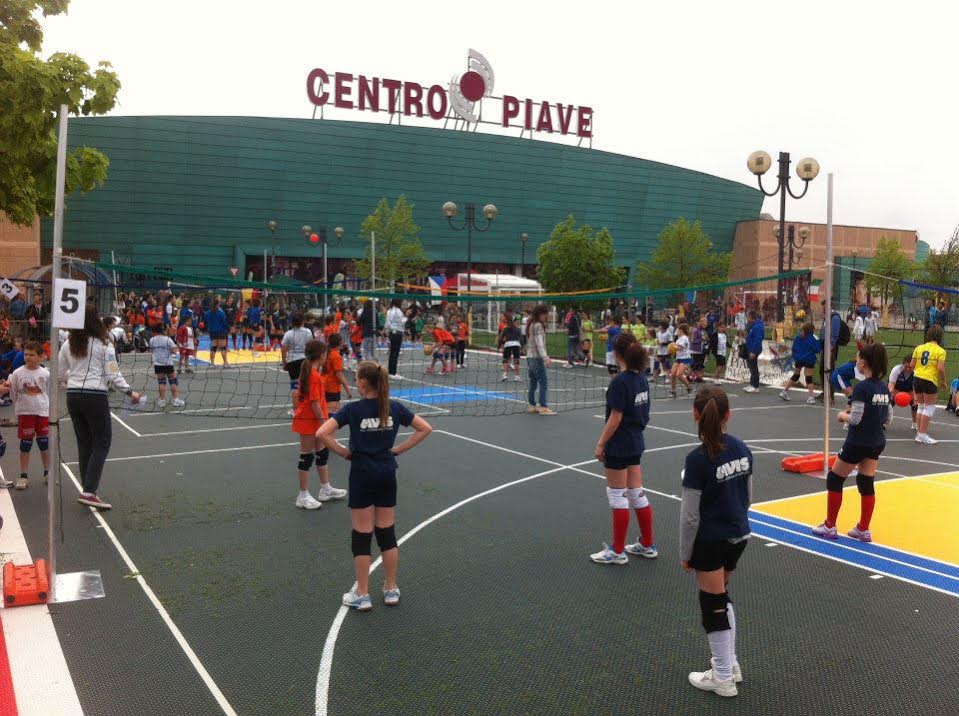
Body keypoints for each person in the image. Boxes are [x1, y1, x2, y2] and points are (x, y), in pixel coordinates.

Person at [318, 362, 433, 610]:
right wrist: (397, 451)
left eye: (357, 378)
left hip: (361, 474)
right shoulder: (393, 407)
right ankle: (391, 589)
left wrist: (345, 453)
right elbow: (425, 428)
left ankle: (362, 593)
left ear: (362, 382)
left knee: (361, 535)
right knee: (386, 533)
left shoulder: (353, 410)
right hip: (386, 474)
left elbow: (322, 434)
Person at [681, 386, 751, 698]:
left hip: (710, 540)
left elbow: (689, 516)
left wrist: (686, 553)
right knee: (721, 597)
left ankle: (722, 676)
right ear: (728, 416)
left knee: (712, 603)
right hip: (739, 534)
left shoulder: (697, 461)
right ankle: (730, 665)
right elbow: (748, 495)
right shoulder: (742, 448)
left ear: (695, 415)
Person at [59, 307, 141, 509]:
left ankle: (88, 489)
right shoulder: (104, 345)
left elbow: (60, 374)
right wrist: (131, 392)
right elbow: (113, 375)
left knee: (84, 443)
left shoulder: (68, 344)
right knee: (102, 442)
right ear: (97, 322)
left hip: (73, 396)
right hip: (95, 396)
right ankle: (89, 491)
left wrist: (76, 380)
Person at [590, 333, 656, 565]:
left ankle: (617, 551)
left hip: (620, 444)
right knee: (636, 493)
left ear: (617, 354)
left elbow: (615, 417)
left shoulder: (620, 382)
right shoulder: (642, 379)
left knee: (617, 495)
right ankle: (647, 543)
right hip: (636, 442)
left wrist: (601, 443)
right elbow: (645, 414)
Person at [813, 343, 890, 542]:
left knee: (835, 479)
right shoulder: (884, 388)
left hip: (858, 441)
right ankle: (863, 528)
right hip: (876, 441)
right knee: (866, 482)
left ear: (863, 363)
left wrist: (842, 416)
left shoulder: (861, 388)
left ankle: (830, 526)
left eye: (857, 358)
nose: (856, 361)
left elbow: (855, 419)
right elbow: (888, 418)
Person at [292, 340, 347, 510]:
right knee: (306, 456)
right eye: (325, 354)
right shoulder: (313, 375)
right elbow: (315, 403)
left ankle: (326, 489)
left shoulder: (312, 371)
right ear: (321, 355)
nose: (326, 357)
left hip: (315, 419)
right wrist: (325, 425)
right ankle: (303, 495)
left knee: (322, 454)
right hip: (309, 420)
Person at [7, 342, 51, 490]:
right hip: (25, 413)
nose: (28, 357)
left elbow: (48, 391)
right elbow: (13, 393)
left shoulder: (45, 374)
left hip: (42, 411)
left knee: (43, 443)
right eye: (26, 354)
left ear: (41, 357)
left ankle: (47, 472)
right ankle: (23, 475)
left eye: (32, 355)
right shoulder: (17, 373)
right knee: (25, 444)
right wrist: (19, 405)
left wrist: (46, 407)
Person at [912, 324, 947, 445]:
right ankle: (922, 434)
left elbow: (912, 365)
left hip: (917, 377)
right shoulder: (940, 351)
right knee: (929, 407)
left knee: (921, 405)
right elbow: (941, 368)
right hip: (929, 379)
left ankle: (919, 431)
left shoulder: (919, 348)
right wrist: (943, 381)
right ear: (940, 337)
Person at [282, 311, 314, 416]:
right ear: (303, 321)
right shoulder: (308, 332)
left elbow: (284, 349)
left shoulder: (288, 334)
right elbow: (310, 347)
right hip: (304, 360)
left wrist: (284, 362)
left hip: (292, 361)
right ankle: (309, 408)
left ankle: (296, 410)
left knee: (294, 386)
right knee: (307, 384)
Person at [780, 322, 820, 403]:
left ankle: (785, 391)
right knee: (809, 378)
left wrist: (796, 356)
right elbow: (817, 349)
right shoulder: (813, 338)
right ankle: (811, 397)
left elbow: (794, 348)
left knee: (796, 375)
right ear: (812, 330)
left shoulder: (798, 337)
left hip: (799, 359)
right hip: (809, 359)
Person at [526, 305, 554, 415]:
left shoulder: (530, 324)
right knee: (543, 382)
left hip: (529, 357)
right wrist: (545, 357)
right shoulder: (537, 325)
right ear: (540, 314)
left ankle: (532, 405)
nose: (546, 317)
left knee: (533, 382)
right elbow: (539, 343)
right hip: (537, 358)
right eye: (545, 314)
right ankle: (543, 407)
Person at [149, 323, 185, 408]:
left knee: (161, 382)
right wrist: (177, 347)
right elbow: (174, 351)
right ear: (164, 330)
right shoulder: (168, 340)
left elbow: (152, 349)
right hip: (168, 364)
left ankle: (162, 401)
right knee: (173, 381)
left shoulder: (152, 340)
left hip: (158, 364)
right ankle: (176, 400)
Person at [323, 334, 352, 414]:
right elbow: (339, 374)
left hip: (324, 384)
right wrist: (347, 389)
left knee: (325, 411)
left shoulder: (326, 353)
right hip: (332, 387)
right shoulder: (336, 356)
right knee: (332, 413)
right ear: (339, 343)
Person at [888, 356, 918, 430]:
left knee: (916, 405)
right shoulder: (896, 370)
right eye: (906, 366)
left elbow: (916, 388)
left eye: (910, 367)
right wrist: (891, 393)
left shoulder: (916, 372)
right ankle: (884, 421)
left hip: (909, 390)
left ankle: (915, 423)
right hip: (897, 388)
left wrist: (915, 398)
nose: (908, 369)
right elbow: (891, 383)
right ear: (902, 364)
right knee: (888, 402)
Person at [205, 298, 230, 367]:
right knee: (223, 348)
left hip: (212, 332)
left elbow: (205, 322)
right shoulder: (220, 313)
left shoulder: (208, 313)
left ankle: (212, 363)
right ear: (218, 304)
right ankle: (225, 363)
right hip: (221, 331)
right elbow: (224, 323)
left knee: (213, 347)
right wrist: (228, 329)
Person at [385, 298, 406, 378]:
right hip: (397, 332)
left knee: (392, 353)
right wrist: (406, 316)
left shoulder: (390, 311)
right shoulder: (397, 311)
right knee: (395, 353)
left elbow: (388, 323)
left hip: (393, 332)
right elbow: (401, 322)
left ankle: (391, 372)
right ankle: (393, 373)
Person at [743, 310, 763, 393]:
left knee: (753, 367)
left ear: (751, 317)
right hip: (750, 348)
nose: (747, 318)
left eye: (747, 316)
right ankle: (752, 383)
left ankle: (755, 386)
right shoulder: (754, 325)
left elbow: (757, 340)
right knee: (751, 366)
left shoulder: (757, 326)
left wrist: (754, 351)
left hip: (754, 350)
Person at [671, 324, 693, 398]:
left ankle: (689, 387)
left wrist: (672, 346)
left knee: (679, 375)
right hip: (679, 358)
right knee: (673, 374)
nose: (676, 331)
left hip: (685, 358)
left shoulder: (684, 338)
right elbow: (676, 349)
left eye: (677, 330)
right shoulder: (678, 339)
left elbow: (680, 348)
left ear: (681, 330)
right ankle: (673, 391)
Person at [498, 317, 522, 382]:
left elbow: (501, 338)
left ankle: (505, 375)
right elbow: (521, 338)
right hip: (516, 344)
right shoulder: (518, 329)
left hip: (508, 344)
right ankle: (517, 376)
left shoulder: (505, 329)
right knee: (516, 360)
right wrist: (521, 347)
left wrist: (500, 345)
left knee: (505, 360)